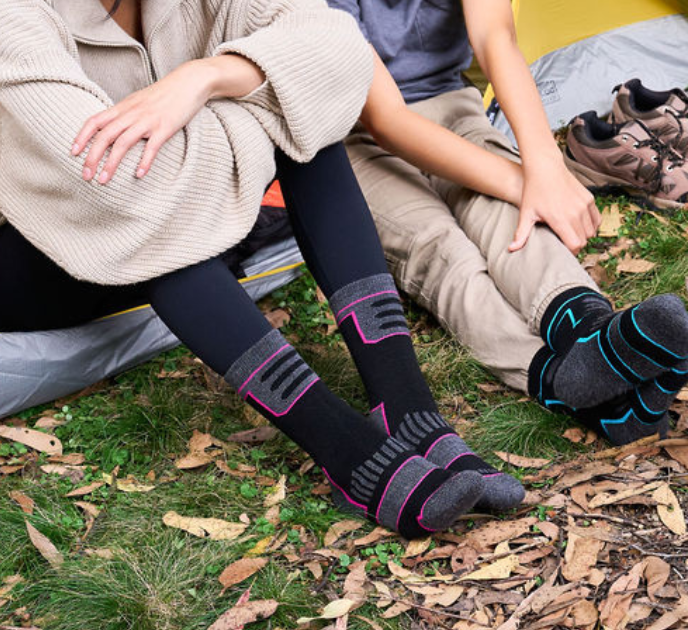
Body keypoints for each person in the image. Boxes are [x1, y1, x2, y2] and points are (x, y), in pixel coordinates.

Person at [0, 0, 523, 537]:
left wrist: (204, 77)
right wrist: (268, 103)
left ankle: (408, 410)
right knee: (206, 167)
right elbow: (118, 187)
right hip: (44, 255)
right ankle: (345, 449)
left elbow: (340, 49)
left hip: (165, 203)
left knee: (308, 122)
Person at [325, 0, 688, 446]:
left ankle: (591, 332)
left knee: (512, 219)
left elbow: (495, 35)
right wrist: (527, 184)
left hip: (453, 108)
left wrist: (544, 169)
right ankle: (589, 396)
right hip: (351, 135)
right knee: (442, 251)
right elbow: (385, 118)